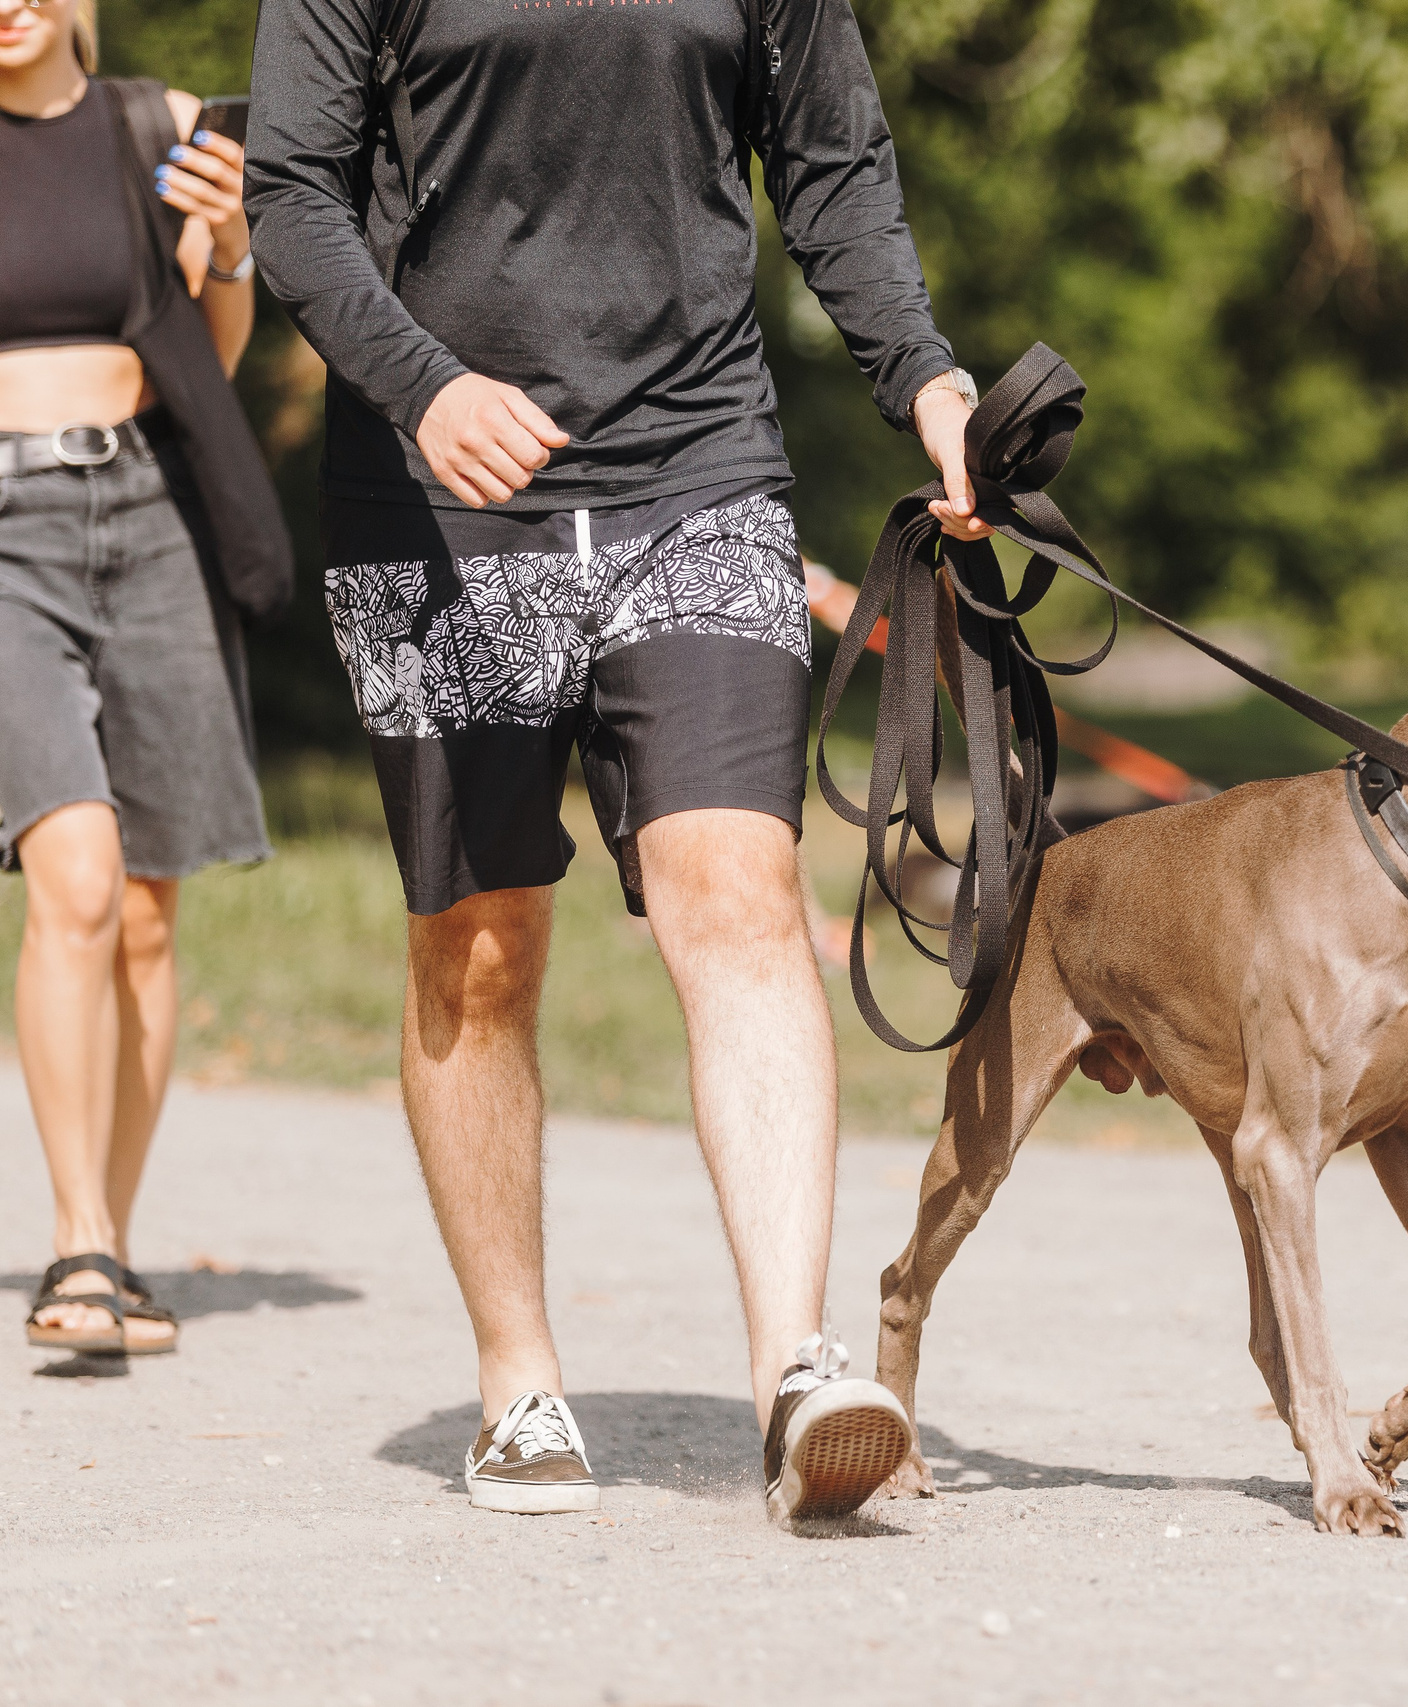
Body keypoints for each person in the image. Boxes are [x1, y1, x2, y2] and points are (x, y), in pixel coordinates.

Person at [246, 0, 989, 1525]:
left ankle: (796, 1366)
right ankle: (519, 1377)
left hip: (696, 466)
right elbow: (292, 192)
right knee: (480, 944)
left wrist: (924, 377)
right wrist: (422, 382)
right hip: (438, 492)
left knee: (743, 882)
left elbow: (833, 164)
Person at [4, 0, 271, 1357]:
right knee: (80, 873)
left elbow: (209, 363)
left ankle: (108, 1226)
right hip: (3, 541)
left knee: (152, 909)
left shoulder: (152, 126)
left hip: (153, 517)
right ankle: (80, 1238)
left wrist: (224, 248)